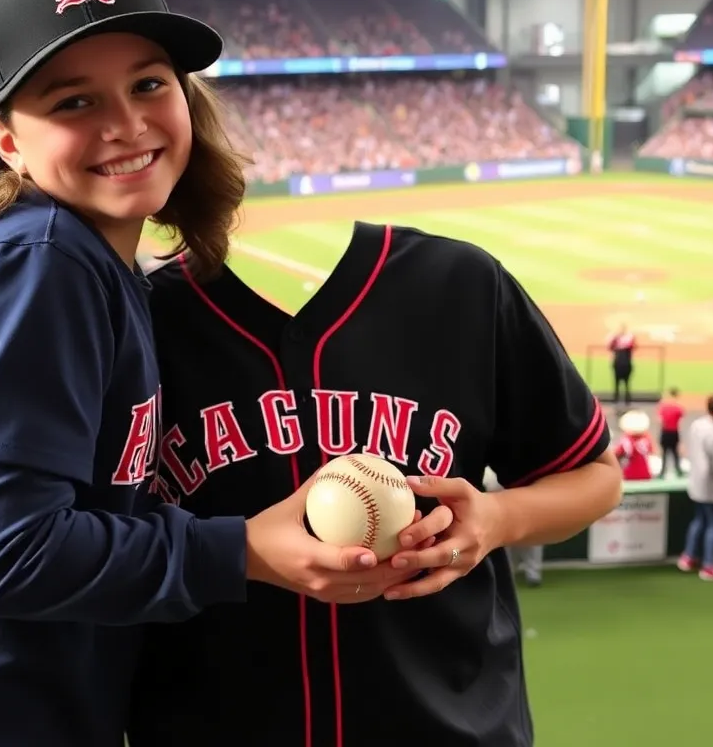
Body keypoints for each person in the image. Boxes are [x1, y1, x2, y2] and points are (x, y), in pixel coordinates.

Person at [0, 0, 432, 747]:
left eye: (149, 84)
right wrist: (240, 551)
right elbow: (0, 553)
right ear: (7, 142)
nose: (125, 122)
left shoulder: (83, 259)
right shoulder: (39, 263)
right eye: (73, 101)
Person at [127, 223, 623, 747]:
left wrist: (496, 520)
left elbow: (595, 477)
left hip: (447, 723)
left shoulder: (458, 285)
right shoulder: (143, 315)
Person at [678, 395, 713, 581]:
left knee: (700, 520)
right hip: (711, 486)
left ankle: (689, 557)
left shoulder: (697, 425)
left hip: (696, 482)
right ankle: (709, 565)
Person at [614, 410, 654, 481]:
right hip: (645, 472)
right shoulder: (646, 438)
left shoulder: (626, 439)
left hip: (629, 473)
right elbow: (651, 451)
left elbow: (617, 452)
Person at [656, 386, 684, 478]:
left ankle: (662, 472)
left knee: (664, 453)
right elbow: (681, 418)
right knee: (675, 452)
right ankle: (678, 470)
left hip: (665, 432)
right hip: (674, 432)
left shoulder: (663, 407)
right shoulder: (677, 408)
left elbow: (660, 420)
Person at [608, 322, 636, 408]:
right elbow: (610, 346)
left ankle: (626, 399)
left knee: (626, 383)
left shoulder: (629, 338)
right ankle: (616, 399)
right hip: (618, 363)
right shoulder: (616, 338)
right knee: (617, 382)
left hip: (625, 364)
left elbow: (633, 346)